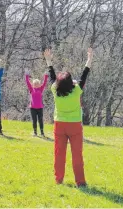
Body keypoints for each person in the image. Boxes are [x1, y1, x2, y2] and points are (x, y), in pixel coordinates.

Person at [43, 47, 92, 187]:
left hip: (59, 124)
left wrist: (48, 60)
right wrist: (89, 59)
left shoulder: (55, 90)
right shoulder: (77, 90)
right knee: (77, 155)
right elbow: (84, 75)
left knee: (59, 153)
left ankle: (59, 179)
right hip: (75, 125)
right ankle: (80, 182)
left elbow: (52, 76)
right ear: (71, 83)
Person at [25, 69, 48, 137]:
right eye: (35, 84)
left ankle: (42, 132)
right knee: (34, 120)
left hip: (40, 108)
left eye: (37, 84)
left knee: (40, 120)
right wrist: (26, 75)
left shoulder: (41, 89)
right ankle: (35, 132)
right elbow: (27, 82)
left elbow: (44, 83)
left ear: (39, 84)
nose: (36, 85)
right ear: (33, 84)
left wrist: (46, 75)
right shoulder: (31, 89)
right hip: (32, 108)